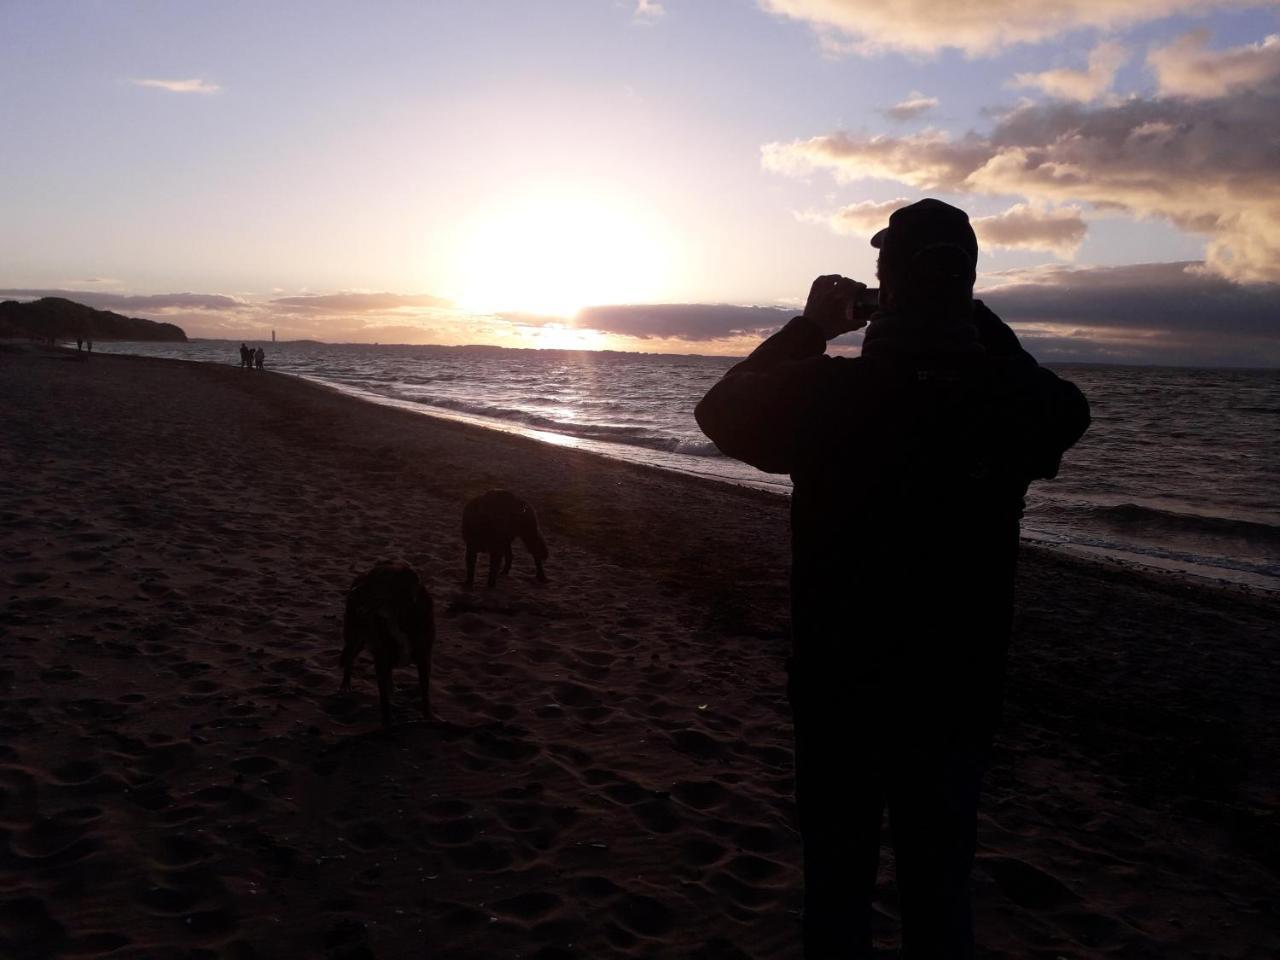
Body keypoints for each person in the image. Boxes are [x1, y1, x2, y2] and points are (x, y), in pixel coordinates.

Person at [695, 198, 1089, 959]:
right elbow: (1064, 408)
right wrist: (975, 320)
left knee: (838, 890)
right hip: (957, 691)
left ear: (888, 287)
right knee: (939, 895)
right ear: (964, 288)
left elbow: (721, 409)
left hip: (838, 687)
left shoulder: (830, 394)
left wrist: (811, 328)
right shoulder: (1005, 402)